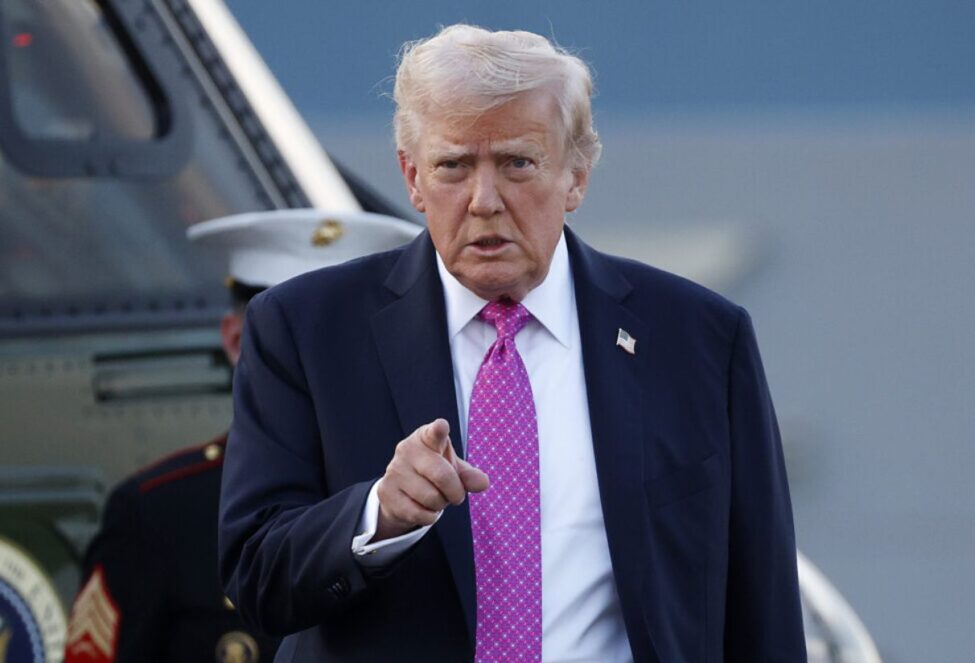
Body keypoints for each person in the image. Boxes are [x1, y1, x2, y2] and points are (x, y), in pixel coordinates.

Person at [219, 25, 806, 663]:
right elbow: (256, 576)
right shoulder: (306, 330)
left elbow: (763, 605)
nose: (484, 201)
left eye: (517, 164)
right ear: (412, 177)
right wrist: (378, 515)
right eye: (453, 166)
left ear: (576, 176)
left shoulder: (697, 340)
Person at [63, 209, 422, 663]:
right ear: (236, 342)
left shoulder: (423, 498)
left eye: (342, 343)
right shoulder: (158, 514)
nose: (320, 363)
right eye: (289, 341)